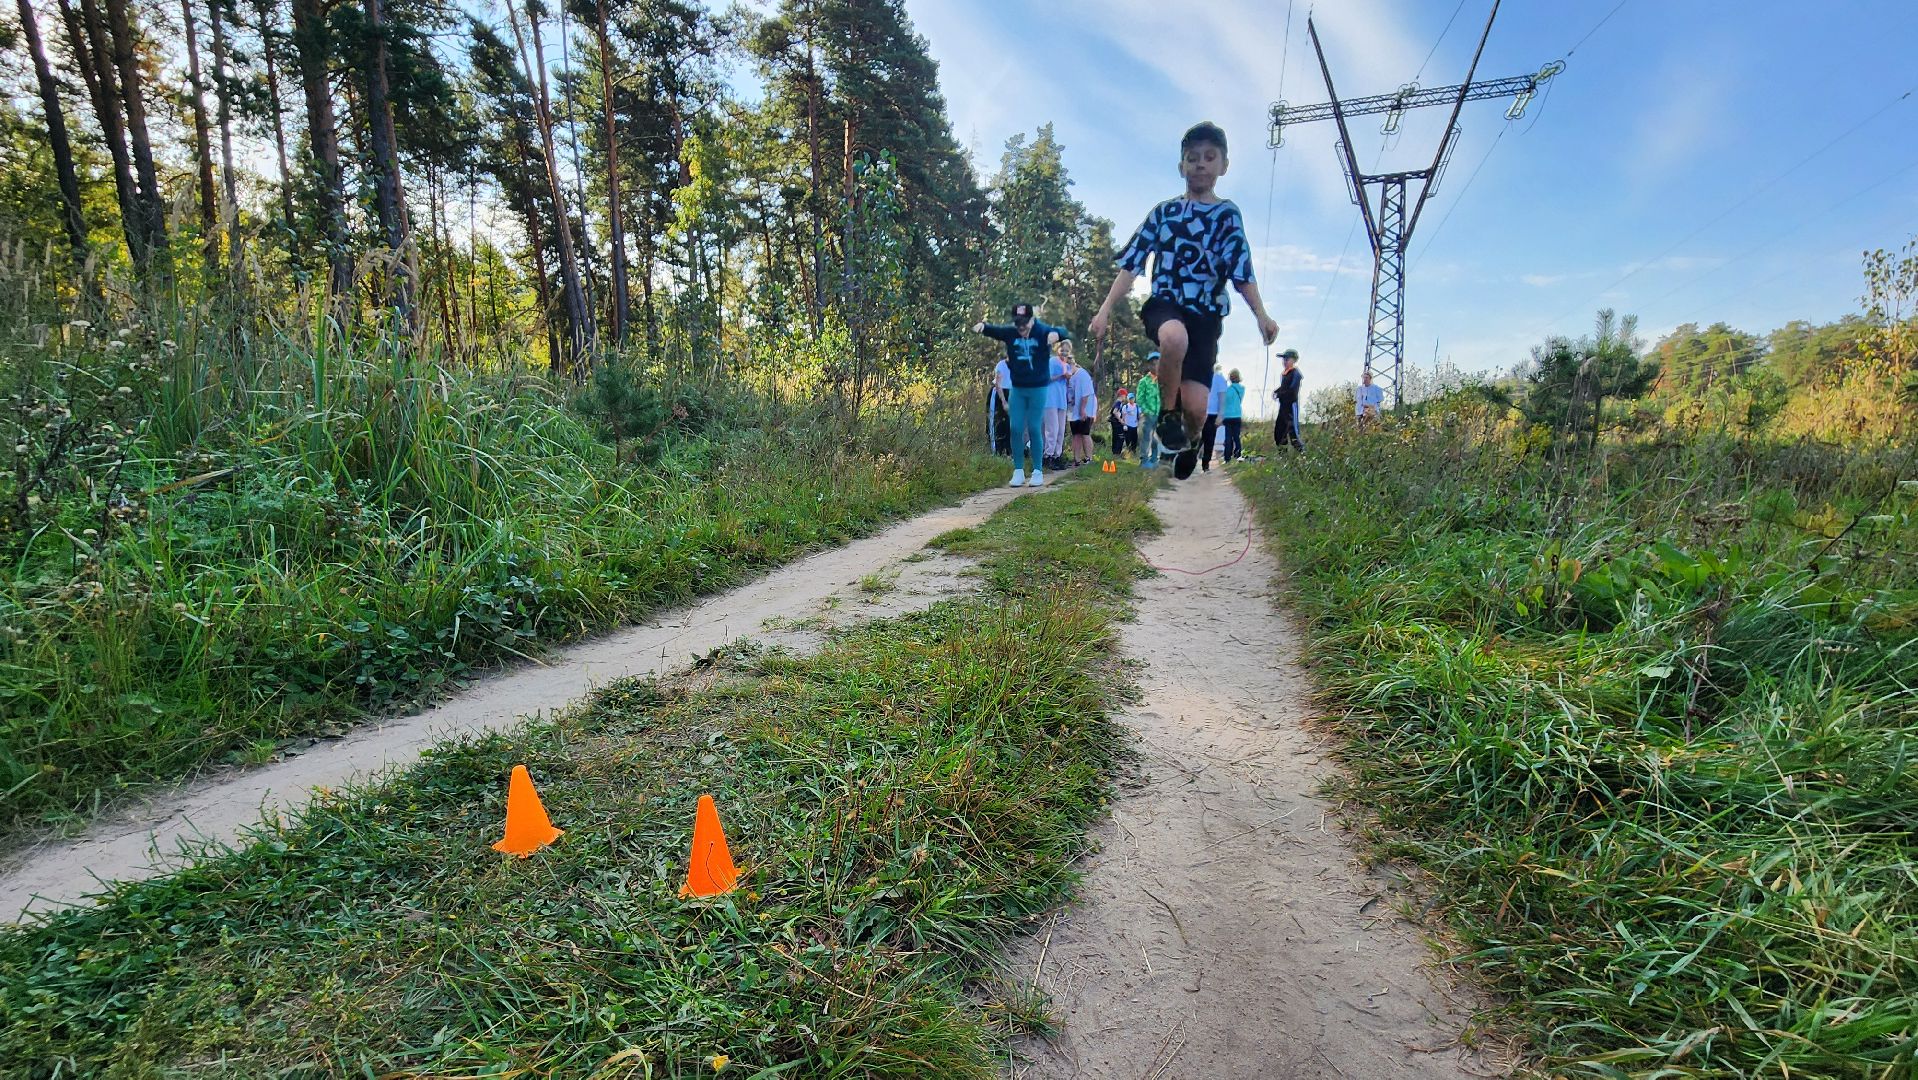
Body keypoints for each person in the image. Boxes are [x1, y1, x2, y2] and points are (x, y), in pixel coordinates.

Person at [1088, 121, 1280, 480]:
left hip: (1206, 316)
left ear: (1223, 165)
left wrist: (1262, 316)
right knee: (1174, 338)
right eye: (1193, 158)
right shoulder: (1164, 213)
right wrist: (1104, 310)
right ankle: (1166, 417)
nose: (1200, 164)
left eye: (1209, 157)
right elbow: (1131, 265)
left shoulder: (1227, 215)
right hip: (1167, 304)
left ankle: (1189, 441)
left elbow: (1241, 272)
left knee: (1198, 409)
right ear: (1181, 167)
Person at [974, 302, 1069, 487]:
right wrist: (983, 327)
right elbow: (995, 331)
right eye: (1018, 323)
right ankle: (1018, 471)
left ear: (1032, 320)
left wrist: (1056, 335)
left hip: (1038, 388)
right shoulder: (1011, 333)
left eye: (1024, 323)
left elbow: (1064, 331)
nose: (1021, 327)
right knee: (1016, 428)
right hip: (1017, 388)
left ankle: (1037, 471)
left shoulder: (1042, 331)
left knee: (1034, 427)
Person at [1067, 346, 1097, 465]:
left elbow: (1086, 394)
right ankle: (1076, 459)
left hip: (1085, 410)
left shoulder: (1082, 374)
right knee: (1076, 435)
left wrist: (1083, 409)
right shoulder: (1070, 377)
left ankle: (1089, 458)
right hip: (1073, 411)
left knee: (1085, 434)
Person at [1272, 348, 1304, 452]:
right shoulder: (1284, 374)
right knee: (1279, 431)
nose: (1284, 361)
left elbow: (1292, 391)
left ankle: (1302, 454)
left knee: (1293, 432)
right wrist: (1276, 391)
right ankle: (1283, 455)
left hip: (1291, 406)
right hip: (1283, 406)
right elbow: (1284, 387)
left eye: (1287, 359)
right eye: (1284, 359)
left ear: (1293, 360)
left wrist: (1280, 394)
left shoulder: (1296, 373)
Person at [1200, 364, 1227, 472]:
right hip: (1198, 412)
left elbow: (1222, 398)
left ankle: (1205, 464)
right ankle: (1189, 464)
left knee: (1209, 440)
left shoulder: (1219, 378)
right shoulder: (1199, 375)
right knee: (1195, 440)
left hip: (1212, 414)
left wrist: (1220, 415)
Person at [1136, 362, 1163, 468]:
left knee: (1156, 438)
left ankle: (1154, 459)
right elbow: (1139, 399)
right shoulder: (1144, 381)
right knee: (1146, 438)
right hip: (1148, 415)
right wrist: (1146, 411)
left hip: (1159, 414)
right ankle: (1144, 461)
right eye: (1153, 364)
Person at [1221, 368, 1246, 462]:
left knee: (1228, 437)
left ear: (1230, 378)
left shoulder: (1227, 390)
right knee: (1236, 436)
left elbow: (1223, 402)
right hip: (1237, 415)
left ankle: (1227, 457)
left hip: (1227, 416)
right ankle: (1238, 455)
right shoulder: (1242, 389)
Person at [1109, 389, 1129, 458]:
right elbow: (1115, 412)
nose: (1125, 397)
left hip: (1114, 422)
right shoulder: (1119, 403)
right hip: (1117, 423)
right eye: (1125, 396)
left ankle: (1114, 452)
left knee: (1115, 437)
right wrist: (1120, 420)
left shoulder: (1116, 402)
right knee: (1120, 437)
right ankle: (1117, 453)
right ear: (1122, 395)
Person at [1121, 391, 1141, 456]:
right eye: (1130, 399)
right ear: (1128, 399)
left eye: (1132, 398)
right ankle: (1127, 451)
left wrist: (1139, 421)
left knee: (1134, 440)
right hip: (1127, 426)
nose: (1131, 400)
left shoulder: (1137, 406)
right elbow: (1123, 417)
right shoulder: (1125, 407)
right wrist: (1124, 425)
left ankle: (1133, 451)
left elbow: (1140, 415)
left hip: (1135, 426)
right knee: (1127, 439)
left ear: (1134, 398)